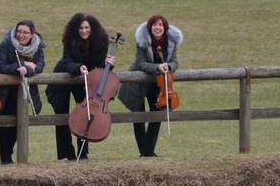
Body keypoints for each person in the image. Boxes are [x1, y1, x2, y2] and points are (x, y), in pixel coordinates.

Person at [45, 13, 113, 160]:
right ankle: (66, 153)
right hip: (65, 76)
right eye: (80, 28)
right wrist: (79, 67)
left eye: (87, 27)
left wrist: (109, 65)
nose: (84, 31)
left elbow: (100, 67)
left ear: (92, 28)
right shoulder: (69, 41)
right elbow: (67, 61)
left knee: (86, 113)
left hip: (86, 82)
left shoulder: (101, 42)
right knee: (62, 113)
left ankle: (83, 152)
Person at [118, 14, 183, 157]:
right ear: (150, 27)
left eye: (160, 25)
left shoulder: (171, 41)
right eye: (155, 25)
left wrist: (169, 66)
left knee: (158, 114)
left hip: (158, 84)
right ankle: (145, 152)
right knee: (138, 117)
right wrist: (158, 67)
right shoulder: (142, 41)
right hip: (138, 83)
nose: (157, 27)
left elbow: (175, 61)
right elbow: (141, 63)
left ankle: (148, 152)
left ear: (165, 27)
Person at [0, 20, 46, 164]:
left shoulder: (37, 47)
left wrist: (28, 69)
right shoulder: (6, 44)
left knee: (19, 123)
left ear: (32, 34)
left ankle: (8, 154)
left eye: (25, 32)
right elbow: (2, 66)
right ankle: (4, 156)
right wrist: (21, 65)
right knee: (3, 125)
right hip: (6, 92)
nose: (21, 35)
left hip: (24, 91)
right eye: (19, 31)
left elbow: (40, 66)